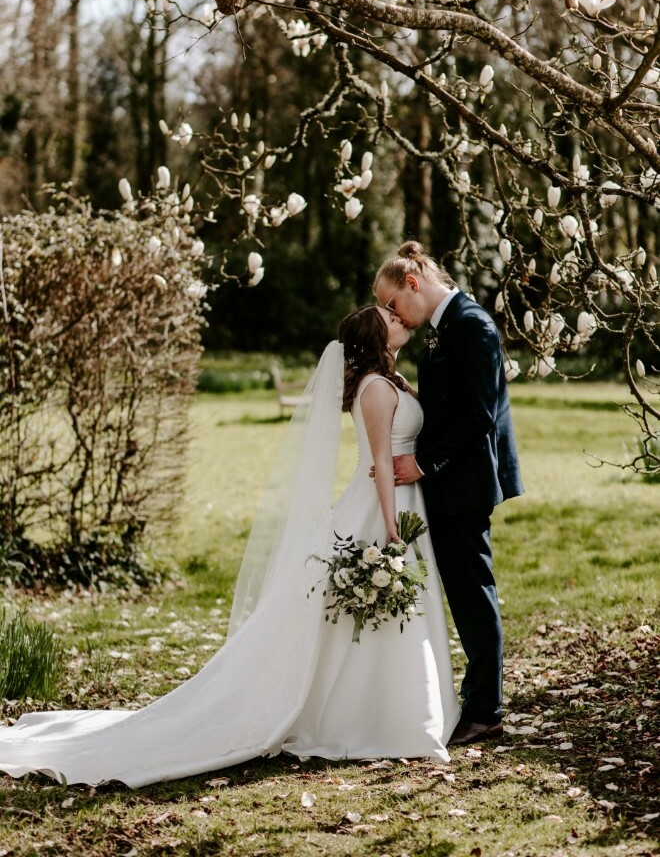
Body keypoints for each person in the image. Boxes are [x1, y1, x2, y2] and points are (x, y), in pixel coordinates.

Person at [0, 305, 459, 787]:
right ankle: (369, 720)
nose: (398, 318)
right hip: (378, 508)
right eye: (388, 317)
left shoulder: (394, 382)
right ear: (373, 335)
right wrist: (389, 527)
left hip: (403, 502)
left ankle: (402, 713)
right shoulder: (376, 390)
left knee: (380, 613)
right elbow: (381, 463)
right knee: (363, 611)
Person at [374, 241, 524, 747]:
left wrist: (422, 461)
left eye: (393, 305)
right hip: (447, 483)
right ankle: (476, 700)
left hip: (464, 484)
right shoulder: (442, 327)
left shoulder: (471, 324)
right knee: (461, 595)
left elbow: (480, 415)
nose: (393, 316)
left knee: (472, 594)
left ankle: (486, 709)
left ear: (412, 283)